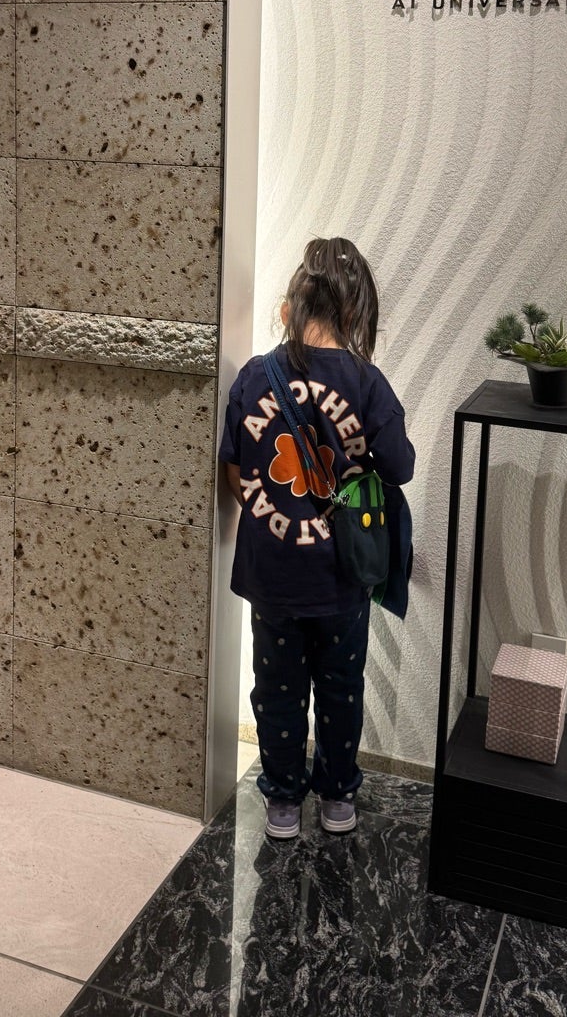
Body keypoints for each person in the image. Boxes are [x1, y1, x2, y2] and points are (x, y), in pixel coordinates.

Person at [219, 236, 415, 839]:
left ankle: (282, 802)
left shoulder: (256, 376)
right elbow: (400, 465)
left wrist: (272, 516)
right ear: (355, 312)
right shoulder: (366, 382)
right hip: (341, 576)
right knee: (340, 689)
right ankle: (337, 800)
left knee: (277, 691)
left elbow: (234, 470)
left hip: (273, 572)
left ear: (289, 308)